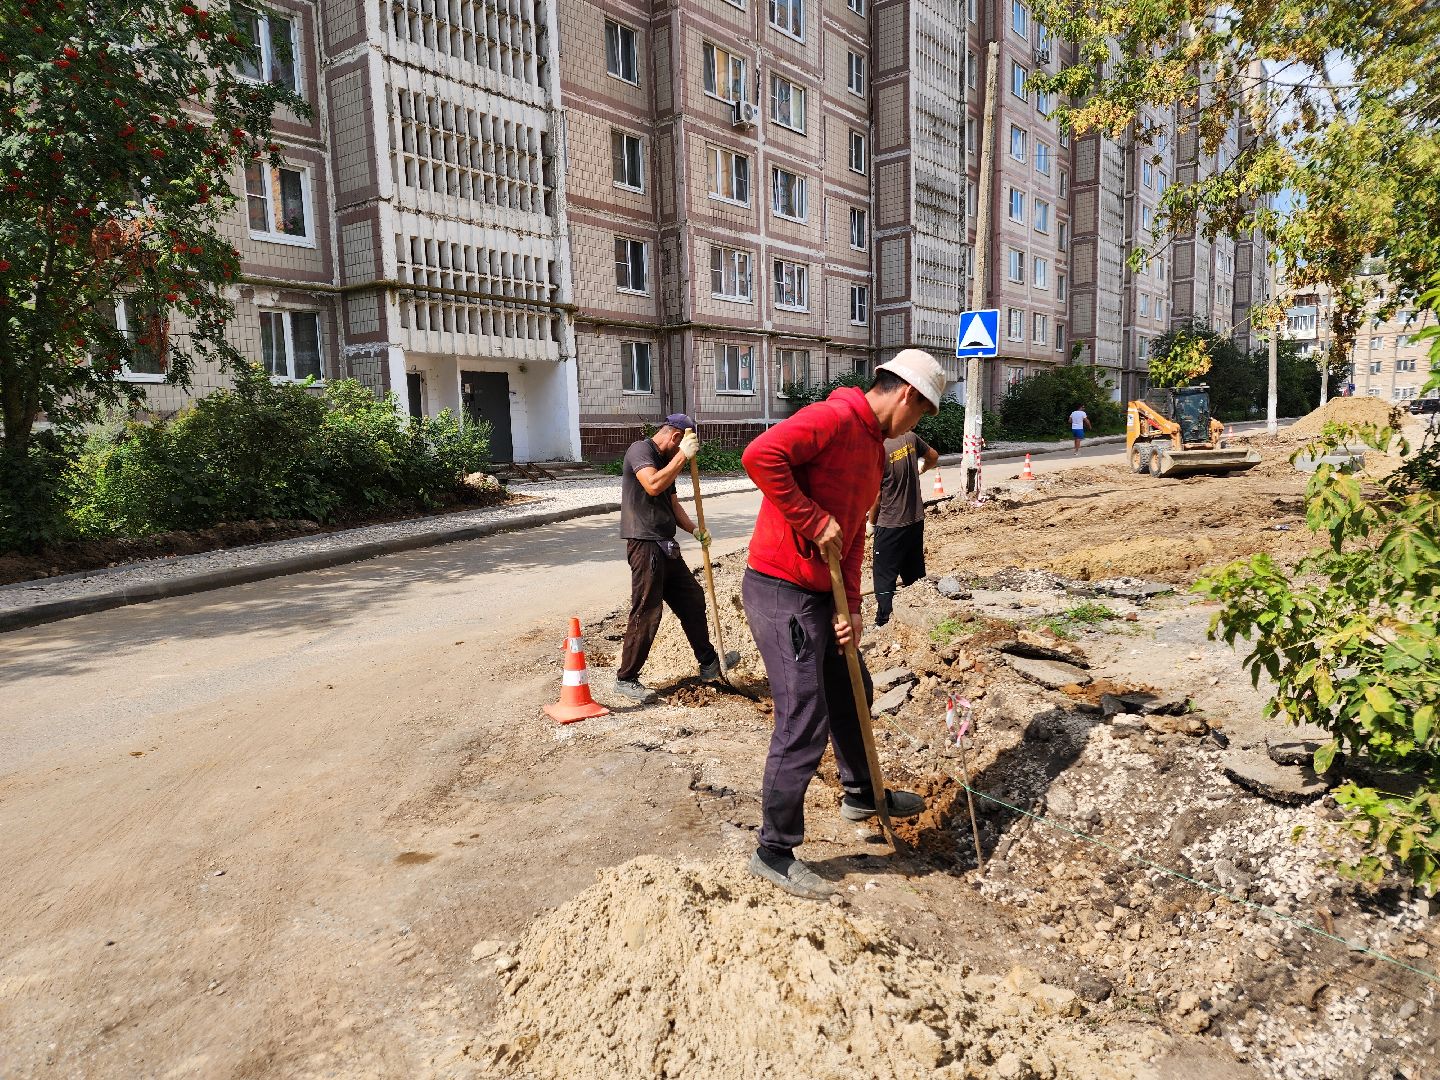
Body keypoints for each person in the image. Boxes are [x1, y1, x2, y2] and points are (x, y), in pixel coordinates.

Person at [740, 350, 945, 900]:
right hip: (780, 588)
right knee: (804, 713)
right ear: (907, 395)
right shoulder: (833, 417)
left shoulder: (876, 451)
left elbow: (851, 536)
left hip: (822, 592)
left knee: (855, 689)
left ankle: (862, 793)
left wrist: (851, 607)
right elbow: (760, 456)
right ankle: (773, 851)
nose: (917, 423)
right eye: (921, 412)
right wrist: (810, 519)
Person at [615, 414, 737, 702]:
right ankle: (626, 678)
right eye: (681, 445)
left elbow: (671, 503)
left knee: (691, 598)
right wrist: (683, 456)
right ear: (676, 438)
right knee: (647, 610)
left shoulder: (665, 460)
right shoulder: (640, 450)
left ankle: (708, 663)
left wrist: (694, 530)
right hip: (645, 544)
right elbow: (652, 485)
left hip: (666, 545)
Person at [869, 429, 939, 627]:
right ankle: (920, 615)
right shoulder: (909, 436)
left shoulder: (877, 449)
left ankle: (884, 622)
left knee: (884, 576)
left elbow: (876, 495)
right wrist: (922, 468)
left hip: (890, 524)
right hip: (915, 519)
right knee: (914, 573)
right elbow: (933, 457)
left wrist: (871, 523)